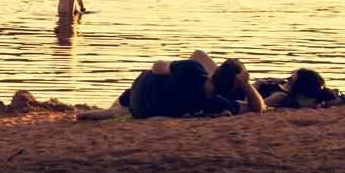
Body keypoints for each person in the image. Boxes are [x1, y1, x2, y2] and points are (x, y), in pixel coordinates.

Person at [76, 50, 266, 120]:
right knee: (128, 110)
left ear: (215, 71)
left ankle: (92, 113)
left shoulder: (194, 69)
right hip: (143, 111)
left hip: (143, 87)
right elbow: (259, 108)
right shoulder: (214, 103)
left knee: (147, 86)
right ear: (233, 89)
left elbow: (157, 67)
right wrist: (247, 87)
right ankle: (91, 115)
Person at [261, 68, 340, 108]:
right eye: (289, 76)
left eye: (290, 79)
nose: (287, 79)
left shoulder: (281, 96)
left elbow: (258, 106)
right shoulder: (314, 99)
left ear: (298, 87)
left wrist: (258, 83)